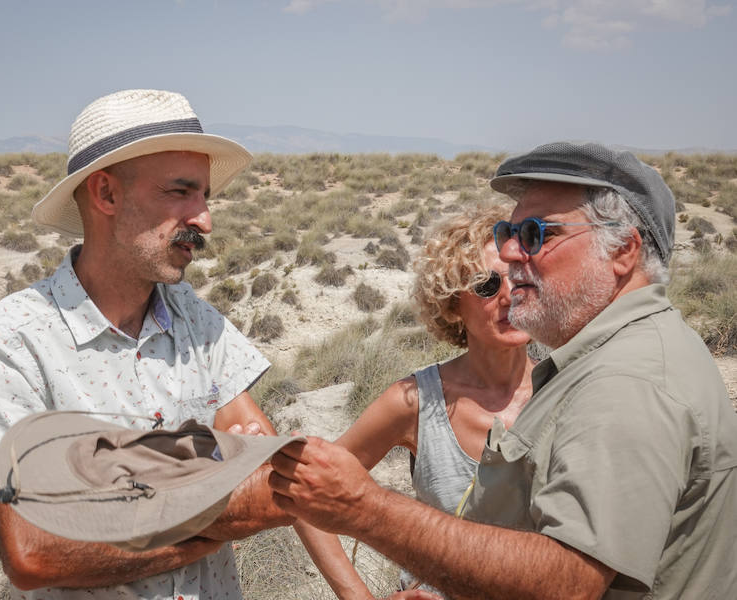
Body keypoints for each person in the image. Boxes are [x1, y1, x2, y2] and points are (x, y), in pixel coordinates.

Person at [269, 141, 737, 599]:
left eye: (539, 234)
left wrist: (364, 508)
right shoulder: (618, 357)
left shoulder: (627, 381)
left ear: (622, 252)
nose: (513, 255)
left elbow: (566, 582)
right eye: (508, 235)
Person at [0, 89, 293, 600]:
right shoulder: (13, 343)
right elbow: (34, 550)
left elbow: (274, 481)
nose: (205, 220)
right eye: (181, 191)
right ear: (106, 195)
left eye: (205, 196)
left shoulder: (193, 317)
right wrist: (213, 501)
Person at [295, 203, 534, 599]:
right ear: (452, 304)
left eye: (520, 278)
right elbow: (307, 499)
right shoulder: (415, 403)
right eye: (487, 286)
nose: (509, 296)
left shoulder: (565, 390)